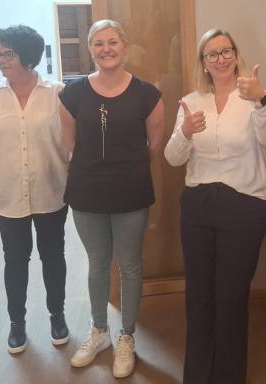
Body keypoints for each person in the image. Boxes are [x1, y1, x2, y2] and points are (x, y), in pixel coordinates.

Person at [164, 28, 266, 384]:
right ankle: (198, 376)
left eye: (226, 51)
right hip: (199, 204)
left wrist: (262, 100)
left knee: (230, 297)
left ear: (236, 54)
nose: (220, 58)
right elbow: (172, 157)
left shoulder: (253, 97)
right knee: (199, 296)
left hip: (244, 203)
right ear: (204, 62)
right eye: (212, 54)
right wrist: (185, 132)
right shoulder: (191, 101)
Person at [59, 19, 164, 378]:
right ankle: (99, 331)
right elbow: (71, 143)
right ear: (90, 49)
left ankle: (127, 336)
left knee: (130, 264)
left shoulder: (147, 94)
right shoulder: (71, 94)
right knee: (97, 263)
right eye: (99, 43)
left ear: (125, 46)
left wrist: (124, 168)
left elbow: (153, 145)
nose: (106, 49)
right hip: (86, 190)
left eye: (113, 41)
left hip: (131, 190)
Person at [0, 25, 70, 354]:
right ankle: (16, 322)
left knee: (53, 256)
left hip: (52, 191)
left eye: (8, 53)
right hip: (5, 197)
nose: (1, 60)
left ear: (28, 56)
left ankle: (57, 316)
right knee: (15, 259)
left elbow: (72, 144)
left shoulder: (57, 93)